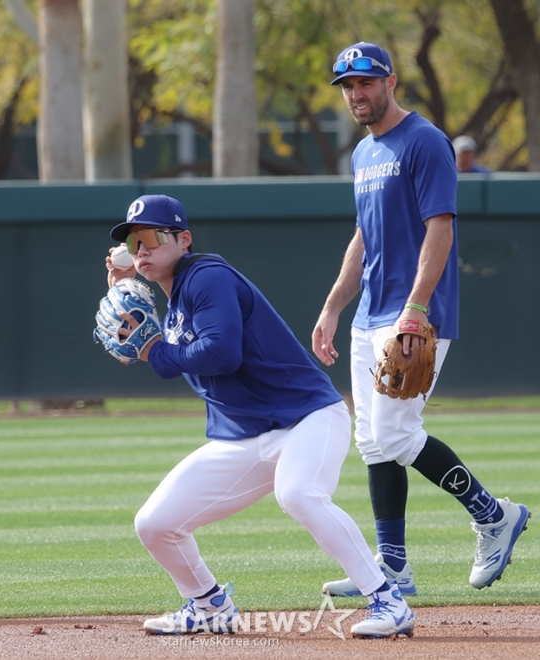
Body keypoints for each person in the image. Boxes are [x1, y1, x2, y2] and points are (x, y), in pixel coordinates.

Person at [103, 193, 415, 639]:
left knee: (299, 494)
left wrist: (157, 352)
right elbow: (151, 340)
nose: (143, 249)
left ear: (184, 239)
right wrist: (123, 285)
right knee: (154, 523)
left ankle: (388, 600)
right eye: (134, 243)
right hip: (245, 438)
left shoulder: (206, 277)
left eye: (152, 237)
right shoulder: (173, 302)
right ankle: (209, 605)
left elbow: (222, 353)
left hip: (307, 417)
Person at [312, 42, 529, 599]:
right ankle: (393, 570)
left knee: (395, 433)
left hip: (413, 312)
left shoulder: (425, 141)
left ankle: (493, 515)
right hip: (368, 313)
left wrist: (415, 308)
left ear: (392, 81)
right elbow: (364, 238)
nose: (357, 93)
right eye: (348, 86)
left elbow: (440, 228)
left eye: (366, 81)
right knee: (374, 443)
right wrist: (334, 305)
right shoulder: (363, 153)